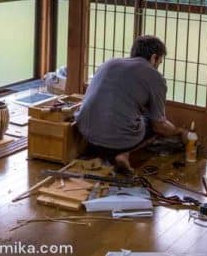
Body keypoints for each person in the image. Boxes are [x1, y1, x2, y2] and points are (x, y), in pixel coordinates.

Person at [75, 35, 189, 174]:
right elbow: (159, 126)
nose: (158, 67)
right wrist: (180, 131)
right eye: (159, 62)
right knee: (150, 120)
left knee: (123, 110)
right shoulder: (154, 77)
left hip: (85, 133)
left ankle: (105, 153)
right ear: (154, 58)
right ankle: (122, 153)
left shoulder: (109, 63)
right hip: (117, 140)